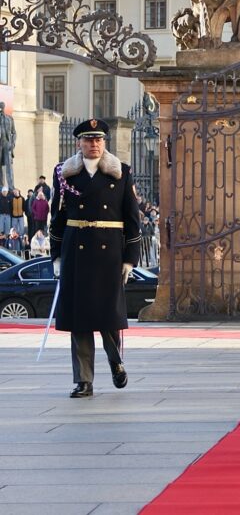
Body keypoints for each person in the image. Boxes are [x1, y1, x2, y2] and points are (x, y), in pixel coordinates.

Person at [49, 119, 141, 398]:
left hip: (108, 253)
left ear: (105, 142)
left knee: (108, 315)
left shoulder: (121, 173)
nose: (94, 144)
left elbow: (132, 219)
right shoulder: (65, 174)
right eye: (89, 140)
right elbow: (58, 217)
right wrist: (56, 256)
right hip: (76, 249)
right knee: (80, 320)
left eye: (99, 140)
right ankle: (84, 380)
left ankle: (115, 362)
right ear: (79, 142)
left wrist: (129, 259)